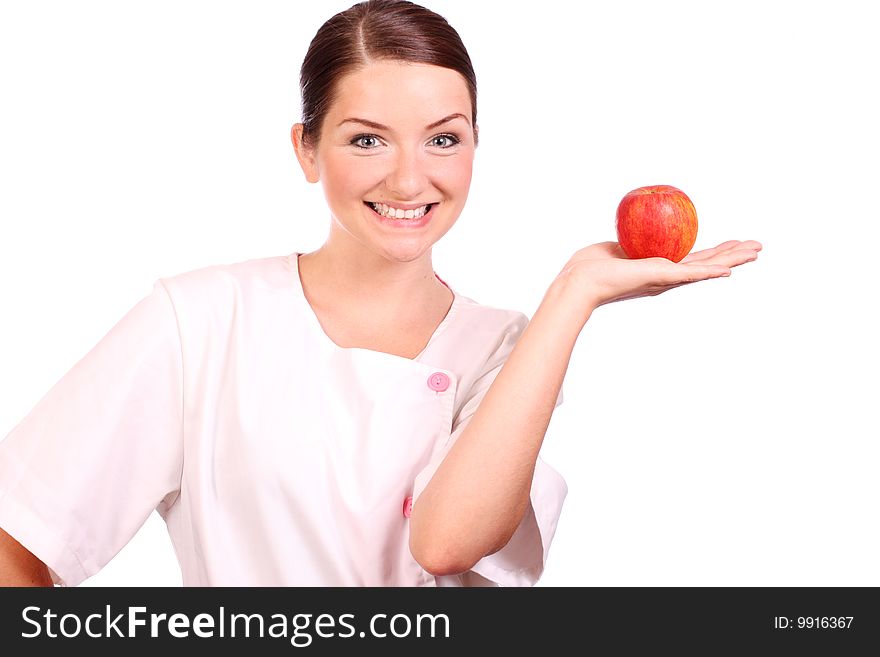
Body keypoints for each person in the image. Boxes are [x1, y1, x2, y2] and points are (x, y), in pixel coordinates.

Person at [0, 0, 760, 587]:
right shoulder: (200, 322)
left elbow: (447, 540)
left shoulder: (504, 343)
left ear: (474, 145)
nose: (408, 178)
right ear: (305, 149)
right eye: (367, 138)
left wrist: (576, 290)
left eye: (443, 137)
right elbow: (22, 535)